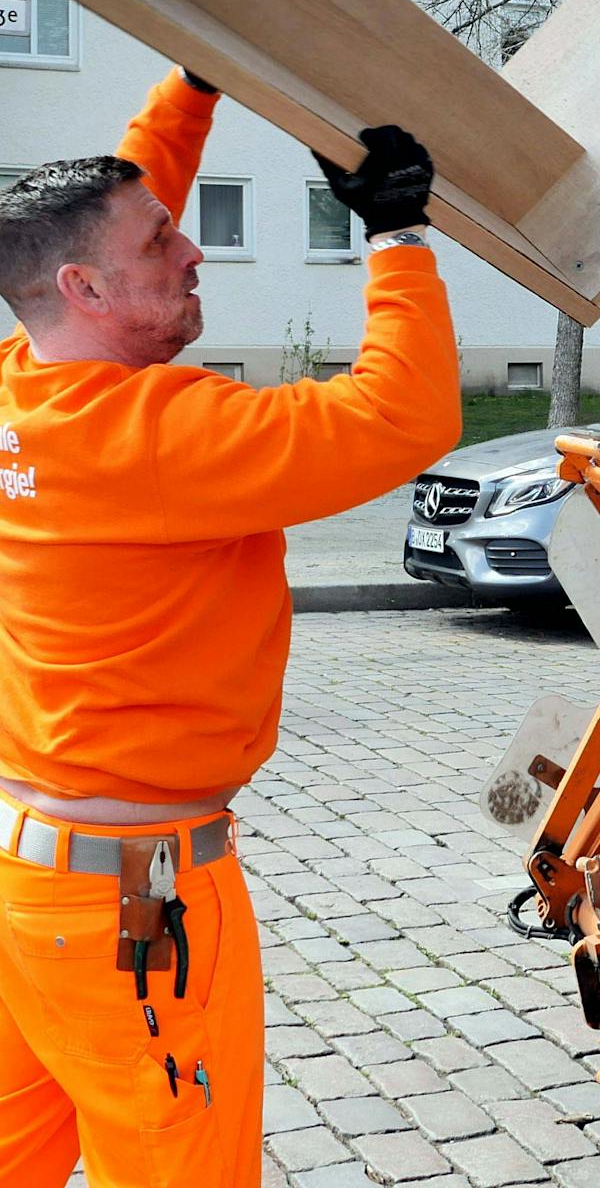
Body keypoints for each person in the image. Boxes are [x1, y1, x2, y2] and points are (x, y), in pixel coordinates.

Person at [0, 66, 462, 1187]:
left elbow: (117, 209)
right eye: (167, 244)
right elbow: (402, 414)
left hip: (29, 884)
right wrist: (395, 236)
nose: (193, 248)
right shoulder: (162, 436)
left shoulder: (27, 386)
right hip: (138, 905)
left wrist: (199, 75)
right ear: (85, 288)